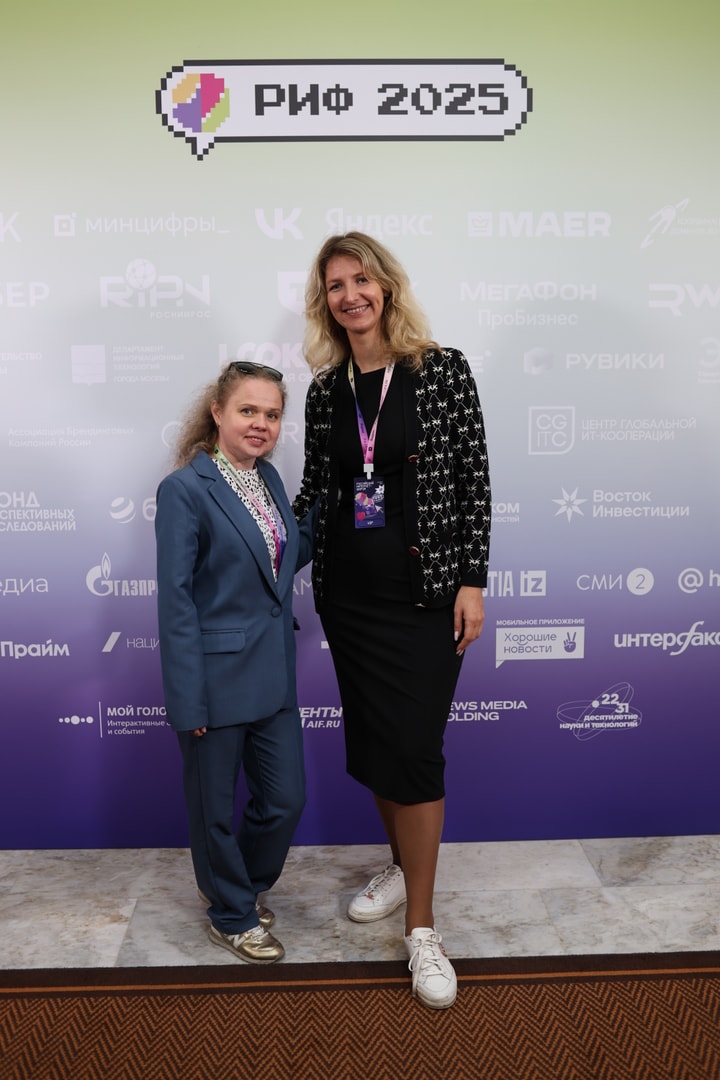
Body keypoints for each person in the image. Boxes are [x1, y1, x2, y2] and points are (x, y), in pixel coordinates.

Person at [293, 232, 491, 1009]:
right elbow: (317, 492)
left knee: (414, 750)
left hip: (427, 597)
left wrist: (472, 580)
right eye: (335, 285)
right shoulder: (325, 390)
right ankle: (404, 866)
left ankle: (423, 931)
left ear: (386, 287)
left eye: (361, 280)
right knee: (380, 747)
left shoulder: (441, 371)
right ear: (326, 302)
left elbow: (475, 479)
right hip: (350, 600)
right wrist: (254, 532)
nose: (350, 295)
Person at [155, 360, 314, 965]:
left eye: (271, 414)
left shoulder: (268, 478)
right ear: (217, 411)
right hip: (214, 681)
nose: (260, 424)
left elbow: (277, 560)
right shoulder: (185, 490)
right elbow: (175, 603)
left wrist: (341, 508)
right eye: (248, 410)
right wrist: (187, 700)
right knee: (213, 812)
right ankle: (232, 915)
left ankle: (235, 886)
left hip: (274, 676)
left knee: (285, 801)